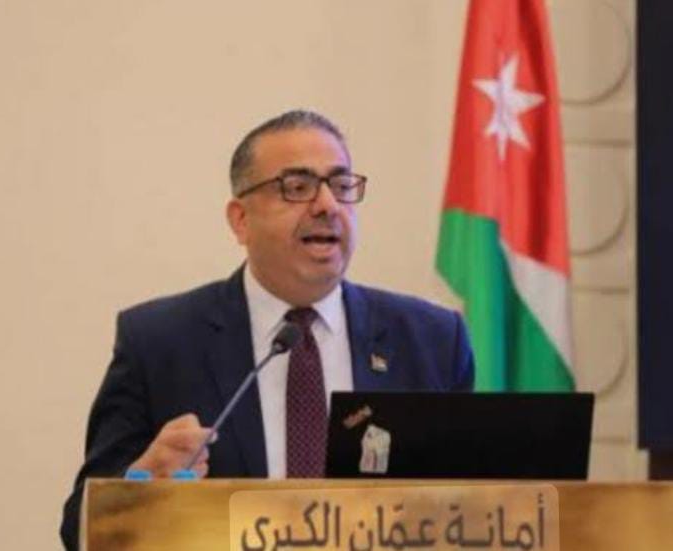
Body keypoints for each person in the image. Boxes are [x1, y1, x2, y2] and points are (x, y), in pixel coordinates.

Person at [60, 110, 474, 549]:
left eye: (341, 185)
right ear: (241, 219)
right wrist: (137, 486)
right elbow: (79, 529)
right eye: (297, 187)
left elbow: (480, 507)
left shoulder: (431, 340)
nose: (328, 205)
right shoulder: (158, 342)